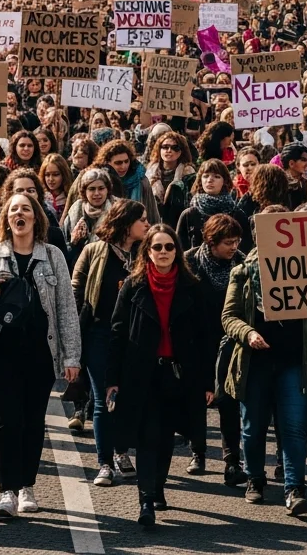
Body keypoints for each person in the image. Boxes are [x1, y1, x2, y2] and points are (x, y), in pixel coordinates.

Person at [0, 191, 81, 519]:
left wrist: (71, 357)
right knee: (8, 421)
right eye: (13, 210)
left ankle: (26, 487)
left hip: (40, 353)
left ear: (36, 218)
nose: (19, 215)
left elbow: (66, 308)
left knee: (33, 421)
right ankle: (6, 492)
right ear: (6, 218)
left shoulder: (53, 256)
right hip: (0, 352)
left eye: (26, 210)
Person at [221, 208, 307, 516]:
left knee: (294, 428)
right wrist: (249, 333)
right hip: (255, 364)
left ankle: (295, 488)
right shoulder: (243, 272)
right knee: (252, 427)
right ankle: (255, 479)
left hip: (294, 363)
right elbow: (229, 317)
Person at [106, 224, 212, 527]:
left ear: (176, 251)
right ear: (147, 251)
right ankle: (146, 499)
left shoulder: (192, 286)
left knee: (167, 437)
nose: (163, 252)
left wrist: (207, 381)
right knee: (148, 436)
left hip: (179, 374)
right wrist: (112, 378)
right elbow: (117, 333)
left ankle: (158, 487)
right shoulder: (133, 285)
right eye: (157, 247)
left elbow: (205, 337)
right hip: (141, 373)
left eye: (168, 247)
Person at [71, 199, 150, 486]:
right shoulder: (94, 251)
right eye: (142, 219)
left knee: (130, 398)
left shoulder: (146, 253)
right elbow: (76, 292)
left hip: (136, 337)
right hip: (100, 334)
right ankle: (105, 462)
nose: (147, 224)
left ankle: (121, 450)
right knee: (106, 399)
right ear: (126, 223)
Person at [185, 214, 246, 484]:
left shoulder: (243, 263)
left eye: (236, 241)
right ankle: (197, 451)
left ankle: (232, 461)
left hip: (231, 342)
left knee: (228, 402)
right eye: (228, 242)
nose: (233, 247)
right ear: (211, 242)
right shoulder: (189, 262)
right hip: (197, 342)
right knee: (197, 400)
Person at [176, 159, 239, 251]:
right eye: (205, 176)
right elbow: (179, 248)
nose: (210, 180)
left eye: (217, 176)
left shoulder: (236, 213)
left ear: (225, 181)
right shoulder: (189, 214)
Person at [62, 167, 115, 271]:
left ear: (107, 189)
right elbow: (63, 247)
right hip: (78, 269)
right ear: (84, 191)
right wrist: (74, 241)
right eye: (91, 189)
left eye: (101, 188)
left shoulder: (116, 211)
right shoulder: (75, 211)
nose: (96, 193)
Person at [95, 140, 158, 219]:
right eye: (118, 163)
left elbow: (152, 213)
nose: (124, 166)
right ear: (108, 163)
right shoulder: (100, 181)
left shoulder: (141, 181)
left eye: (126, 161)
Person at [145, 131, 196, 227]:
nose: (169, 150)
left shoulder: (188, 173)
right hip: (153, 223)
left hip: (179, 223)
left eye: (174, 148)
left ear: (181, 151)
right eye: (165, 147)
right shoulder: (149, 172)